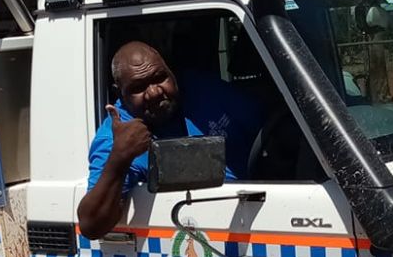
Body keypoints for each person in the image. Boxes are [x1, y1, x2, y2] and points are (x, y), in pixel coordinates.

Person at [76, 41, 262, 239]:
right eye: (138, 88)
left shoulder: (199, 88)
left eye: (159, 78)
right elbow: (91, 225)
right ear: (119, 92)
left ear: (171, 72)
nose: (155, 92)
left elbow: (265, 123)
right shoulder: (118, 137)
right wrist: (120, 157)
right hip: (201, 236)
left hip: (248, 211)